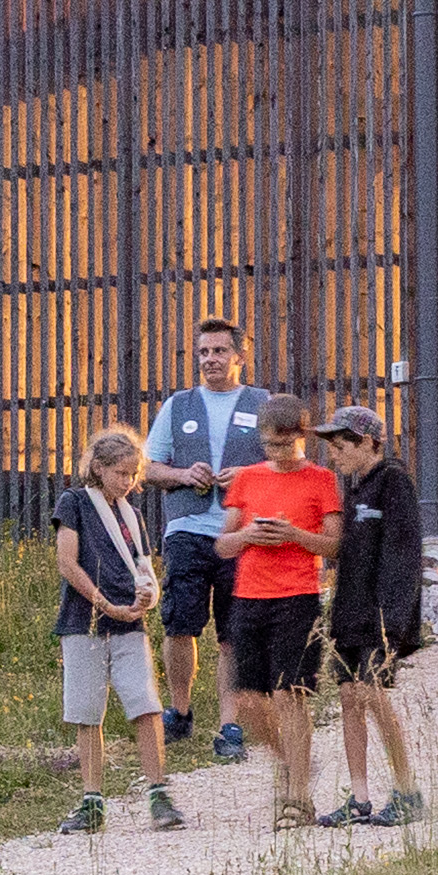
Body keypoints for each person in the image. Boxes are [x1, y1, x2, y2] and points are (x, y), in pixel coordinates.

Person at [210, 393, 344, 828]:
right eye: (269, 445)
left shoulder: (321, 479)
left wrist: (294, 534)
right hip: (249, 595)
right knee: (247, 699)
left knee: (291, 696)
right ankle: (291, 764)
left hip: (297, 595)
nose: (277, 454)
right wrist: (250, 534)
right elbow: (222, 544)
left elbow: (334, 544)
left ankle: (298, 799)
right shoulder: (246, 478)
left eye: (285, 445)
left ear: (302, 438)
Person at [142, 316, 270, 763]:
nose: (210, 359)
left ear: (239, 357)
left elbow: (288, 464)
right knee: (180, 624)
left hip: (241, 534)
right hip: (187, 529)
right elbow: (148, 467)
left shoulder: (263, 404)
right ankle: (179, 711)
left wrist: (249, 475)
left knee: (233, 632)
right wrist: (182, 473)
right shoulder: (178, 406)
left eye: (219, 351)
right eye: (203, 352)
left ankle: (229, 723)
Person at [47, 427, 177, 831]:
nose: (129, 482)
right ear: (99, 468)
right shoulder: (74, 502)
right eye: (122, 473)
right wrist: (103, 603)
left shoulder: (132, 514)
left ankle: (158, 792)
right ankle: (92, 800)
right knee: (87, 711)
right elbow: (68, 562)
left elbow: (143, 566)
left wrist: (143, 599)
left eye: (135, 474)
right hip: (84, 621)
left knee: (145, 703)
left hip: (129, 621)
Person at [317, 405, 431, 827]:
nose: (334, 455)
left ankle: (407, 791)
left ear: (370, 443)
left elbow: (404, 554)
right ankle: (360, 797)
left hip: (380, 617)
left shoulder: (393, 482)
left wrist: (394, 622)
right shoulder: (358, 488)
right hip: (350, 611)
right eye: (331, 447)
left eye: (341, 445)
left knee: (374, 697)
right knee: (349, 698)